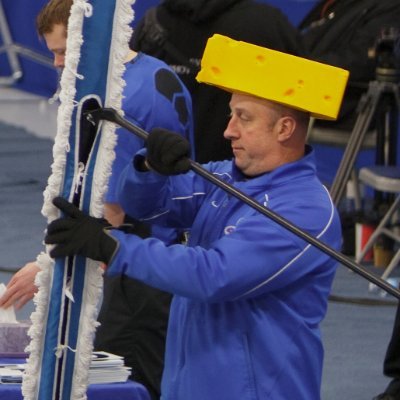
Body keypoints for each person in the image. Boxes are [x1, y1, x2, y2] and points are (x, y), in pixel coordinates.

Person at [43, 35, 344, 399]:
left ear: (284, 128)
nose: (228, 129)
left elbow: (214, 276)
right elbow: (148, 207)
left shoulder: (305, 210)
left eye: (243, 118)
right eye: (232, 114)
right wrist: (149, 168)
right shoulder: (225, 177)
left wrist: (113, 247)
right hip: (189, 385)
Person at [0, 1, 194, 399]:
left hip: (140, 270)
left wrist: (48, 267)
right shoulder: (152, 73)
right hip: (160, 256)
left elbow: (113, 213)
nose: (55, 63)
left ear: (89, 43)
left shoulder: (117, 100)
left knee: (128, 381)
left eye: (61, 51)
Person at [131, 0, 305, 163]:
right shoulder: (266, 24)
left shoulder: (153, 22)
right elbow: (307, 93)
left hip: (157, 171)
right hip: (235, 180)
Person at [299, 0, 400, 132]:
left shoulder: (391, 7)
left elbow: (360, 61)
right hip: (302, 86)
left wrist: (300, 69)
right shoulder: (335, 4)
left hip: (344, 103)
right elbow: (302, 41)